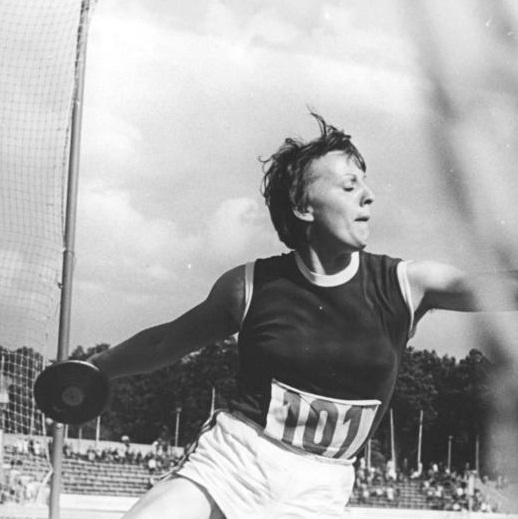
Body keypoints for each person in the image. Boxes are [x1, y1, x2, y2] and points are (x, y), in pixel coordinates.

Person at [88, 112, 517, 519]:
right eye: (349, 186)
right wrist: (95, 369)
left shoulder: (405, 285)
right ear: (303, 206)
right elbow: (166, 341)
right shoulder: (249, 286)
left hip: (320, 489)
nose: (368, 195)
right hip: (234, 462)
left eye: (365, 183)